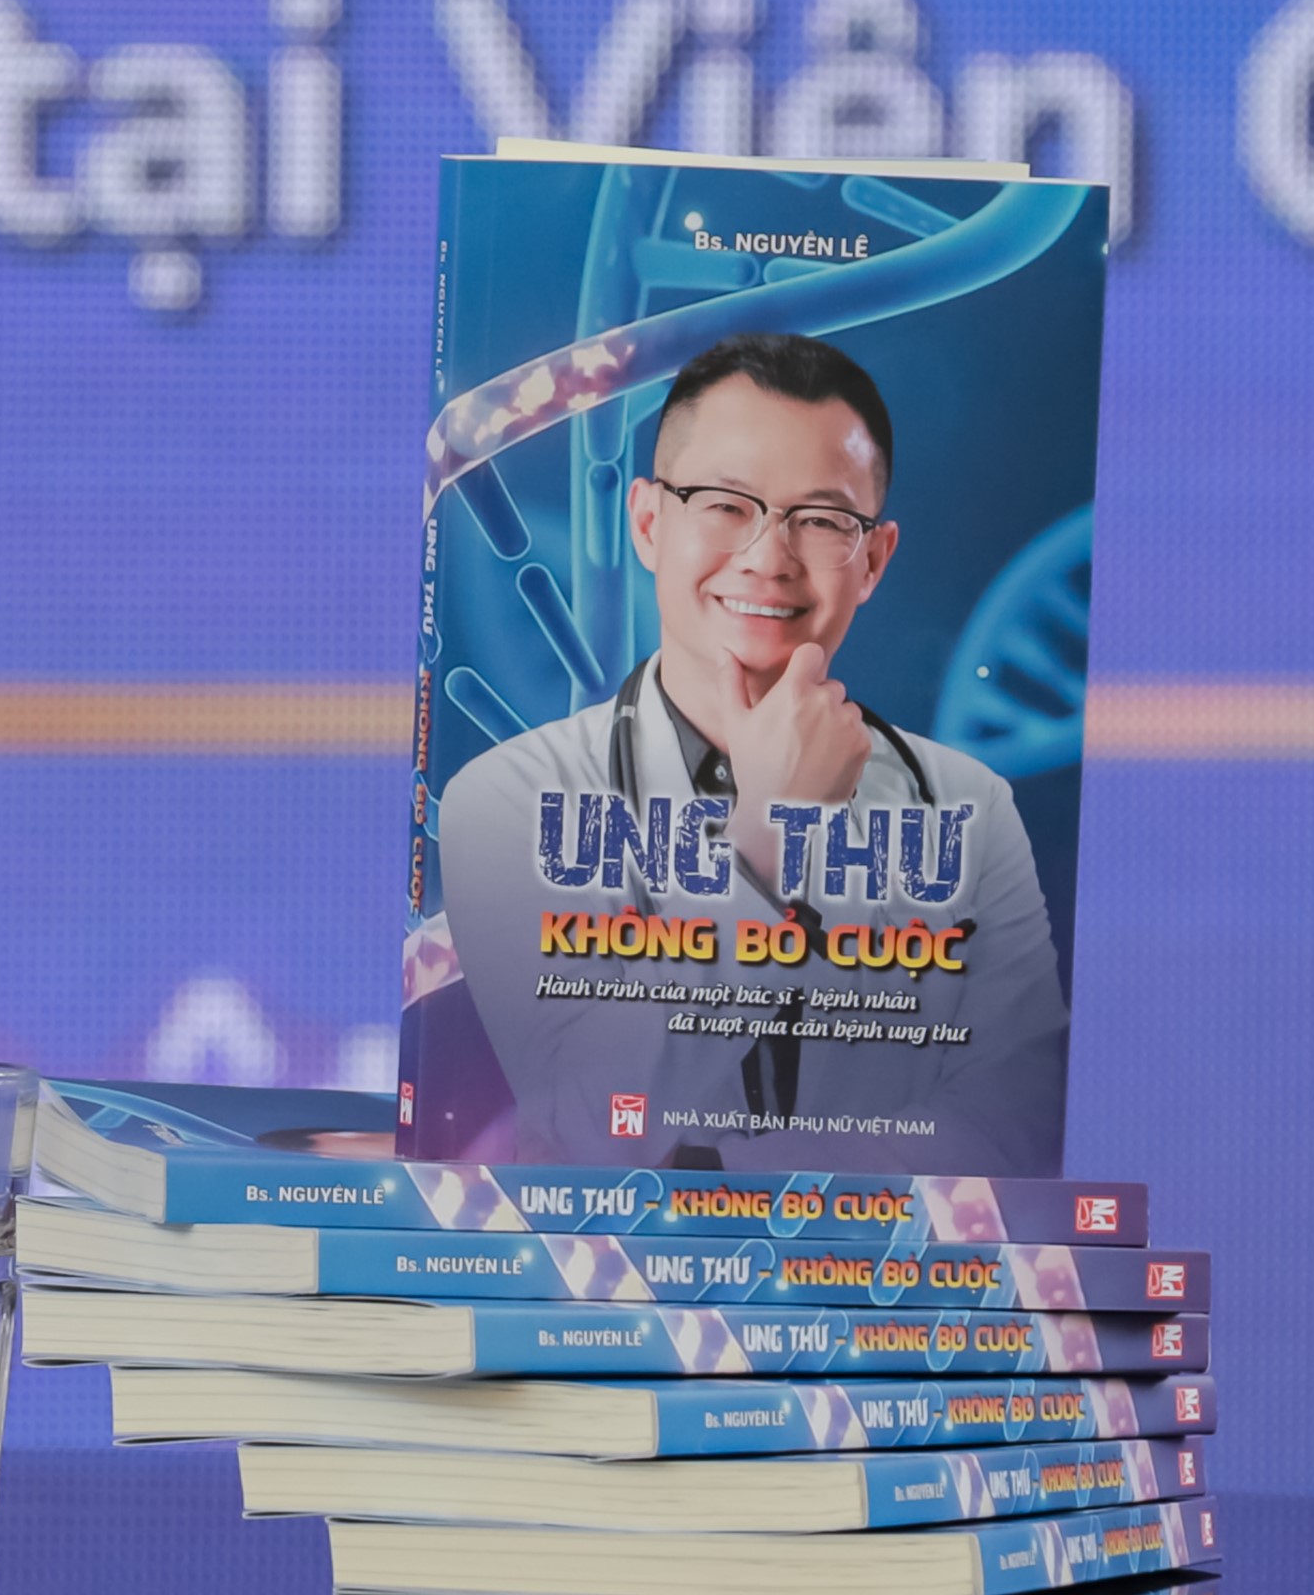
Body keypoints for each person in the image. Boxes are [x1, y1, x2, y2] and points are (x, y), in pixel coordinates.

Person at [434, 333, 1068, 1173]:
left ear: (873, 559)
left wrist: (718, 1176)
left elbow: (1014, 1132)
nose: (768, 558)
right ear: (649, 524)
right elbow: (590, 1126)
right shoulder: (504, 799)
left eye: (822, 520)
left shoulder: (969, 808)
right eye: (726, 504)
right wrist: (768, 833)